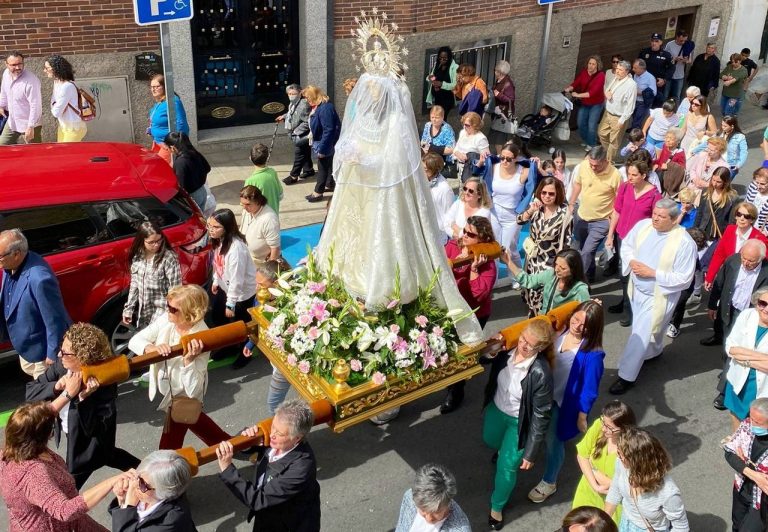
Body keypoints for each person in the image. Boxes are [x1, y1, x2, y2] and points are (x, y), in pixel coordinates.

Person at [315, 68, 484, 345]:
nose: (369, 93)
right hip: (361, 194)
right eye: (367, 87)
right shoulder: (365, 116)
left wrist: (366, 161)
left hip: (387, 196)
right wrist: (349, 154)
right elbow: (351, 143)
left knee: (383, 242)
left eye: (374, 87)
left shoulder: (395, 121)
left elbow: (398, 164)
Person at [26, 322, 141, 488]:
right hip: (72, 432)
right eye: (61, 348)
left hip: (89, 445)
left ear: (83, 357)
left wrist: (84, 399)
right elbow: (30, 391)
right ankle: (151, 475)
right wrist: (56, 386)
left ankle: (154, 478)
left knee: (69, 488)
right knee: (112, 456)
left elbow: (96, 429)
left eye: (65, 352)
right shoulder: (61, 367)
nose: (59, 354)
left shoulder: (105, 381)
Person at [609, 199, 697, 394]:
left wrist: (653, 273)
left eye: (661, 216)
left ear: (675, 220)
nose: (655, 219)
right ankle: (655, 350)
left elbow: (684, 278)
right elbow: (627, 246)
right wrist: (631, 261)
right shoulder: (643, 226)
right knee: (650, 329)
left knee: (640, 333)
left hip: (659, 296)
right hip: (637, 290)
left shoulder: (684, 243)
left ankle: (626, 376)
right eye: (654, 214)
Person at [129, 284, 231, 449]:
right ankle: (238, 446)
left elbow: (194, 389)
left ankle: (163, 470)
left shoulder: (202, 337)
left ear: (190, 314)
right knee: (196, 420)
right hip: (169, 391)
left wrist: (189, 360)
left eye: (173, 309)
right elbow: (135, 341)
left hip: (182, 395)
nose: (168, 310)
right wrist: (151, 348)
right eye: (167, 305)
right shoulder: (166, 318)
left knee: (169, 445)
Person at [0, 402, 123, 532]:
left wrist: (68, 394)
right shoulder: (33, 474)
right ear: (44, 435)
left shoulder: (12, 451)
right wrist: (111, 482)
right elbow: (64, 510)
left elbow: (42, 417)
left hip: (75, 523)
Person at [528, 301, 605, 504]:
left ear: (593, 329)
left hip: (561, 404)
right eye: (577, 318)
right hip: (541, 395)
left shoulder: (594, 355)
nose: (578, 326)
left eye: (585, 324)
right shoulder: (560, 330)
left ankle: (549, 481)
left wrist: (582, 415)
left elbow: (589, 389)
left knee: (554, 441)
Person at [483, 320, 556, 530]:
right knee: (489, 439)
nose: (523, 346)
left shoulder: (541, 373)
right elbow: (481, 359)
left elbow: (542, 414)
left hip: (518, 423)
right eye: (523, 339)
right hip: (497, 410)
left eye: (529, 345)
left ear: (540, 348)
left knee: (506, 467)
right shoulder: (506, 351)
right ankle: (502, 447)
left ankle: (496, 507)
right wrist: (490, 352)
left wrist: (531, 452)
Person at [216, 399, 321, 532]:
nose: (272, 435)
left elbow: (259, 500)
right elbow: (243, 450)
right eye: (273, 427)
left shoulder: (301, 467)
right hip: (267, 515)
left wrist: (227, 470)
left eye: (279, 433)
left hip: (286, 524)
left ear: (297, 438)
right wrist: (245, 438)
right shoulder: (274, 438)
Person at [441, 216, 498, 415]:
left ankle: (456, 392)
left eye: (470, 234)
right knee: (449, 348)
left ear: (482, 239)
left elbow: (479, 296)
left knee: (462, 353)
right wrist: (454, 263)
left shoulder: (487, 263)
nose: (464, 235)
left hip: (474, 314)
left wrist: (473, 270)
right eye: (464, 231)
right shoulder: (453, 247)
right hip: (451, 309)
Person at [0, 228, 72, 379]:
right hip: (26, 347)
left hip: (42, 352)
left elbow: (55, 319)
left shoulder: (39, 279)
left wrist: (52, 354)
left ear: (16, 254)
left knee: (45, 396)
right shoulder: (11, 265)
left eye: (0, 257)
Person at [708, 240, 768, 412]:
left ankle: (723, 391)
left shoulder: (766, 271)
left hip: (752, 315)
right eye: (744, 258)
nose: (746, 263)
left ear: (760, 259)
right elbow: (720, 282)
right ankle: (729, 372)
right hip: (730, 311)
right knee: (728, 348)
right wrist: (712, 305)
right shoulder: (733, 260)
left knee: (738, 352)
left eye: (751, 261)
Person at [606, 158, 663, 321]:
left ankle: (630, 309)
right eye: (629, 174)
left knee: (633, 275)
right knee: (623, 273)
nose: (629, 177)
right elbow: (617, 211)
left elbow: (656, 220)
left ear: (643, 175)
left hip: (640, 242)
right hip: (622, 236)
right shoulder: (625, 187)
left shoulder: (654, 195)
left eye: (633, 175)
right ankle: (625, 301)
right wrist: (610, 235)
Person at [604, 427, 689, 531]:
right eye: (618, 452)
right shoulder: (622, 464)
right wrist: (604, 522)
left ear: (637, 462)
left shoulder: (668, 493)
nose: (618, 456)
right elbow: (615, 488)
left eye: (621, 455)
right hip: (626, 522)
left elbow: (681, 528)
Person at [573, 401, 637, 524]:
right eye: (604, 423)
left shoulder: (631, 449)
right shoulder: (600, 424)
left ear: (624, 428)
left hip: (613, 505)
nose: (603, 429)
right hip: (587, 492)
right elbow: (582, 455)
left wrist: (593, 470)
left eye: (610, 428)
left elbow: (627, 488)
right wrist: (595, 485)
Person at [516, 177, 573, 314]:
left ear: (558, 194)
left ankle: (540, 325)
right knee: (530, 296)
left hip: (549, 264)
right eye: (544, 192)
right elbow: (519, 220)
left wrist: (560, 268)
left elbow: (566, 244)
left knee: (542, 300)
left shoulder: (565, 215)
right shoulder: (536, 207)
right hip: (532, 261)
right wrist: (530, 211)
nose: (546, 196)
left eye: (551, 193)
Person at [569, 146, 622, 282]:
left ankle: (580, 283)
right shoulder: (583, 166)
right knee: (583, 249)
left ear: (605, 161)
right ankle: (590, 274)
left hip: (602, 220)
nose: (592, 168)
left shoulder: (615, 175)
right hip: (581, 216)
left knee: (587, 251)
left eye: (596, 165)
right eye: (591, 164)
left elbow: (618, 200)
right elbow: (577, 185)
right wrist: (571, 203)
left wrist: (612, 225)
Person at [109, 450, 197, 531]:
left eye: (143, 484)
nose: (134, 485)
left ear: (165, 492)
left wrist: (128, 506)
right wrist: (122, 500)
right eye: (137, 477)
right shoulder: (146, 491)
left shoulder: (170, 521)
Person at [122, 221, 182, 331]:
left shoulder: (169, 258)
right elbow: (134, 285)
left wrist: (172, 312)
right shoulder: (137, 256)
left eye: (159, 240)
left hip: (162, 312)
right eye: (151, 242)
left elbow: (176, 289)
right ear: (141, 241)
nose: (156, 245)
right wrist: (128, 309)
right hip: (144, 312)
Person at [723, 287, 768, 431]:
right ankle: (737, 442)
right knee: (735, 413)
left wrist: (745, 358)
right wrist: (762, 358)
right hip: (738, 378)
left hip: (762, 385)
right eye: (763, 303)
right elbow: (731, 347)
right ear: (756, 303)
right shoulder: (747, 315)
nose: (766, 309)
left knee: (760, 424)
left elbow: (738, 352)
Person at [478, 141, 529, 268]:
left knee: (509, 249)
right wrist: (481, 160)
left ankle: (516, 276)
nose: (504, 161)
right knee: (494, 246)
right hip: (494, 211)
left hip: (512, 216)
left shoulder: (523, 172)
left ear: (516, 159)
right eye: (502, 158)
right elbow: (477, 170)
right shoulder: (494, 167)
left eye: (508, 159)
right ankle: (493, 278)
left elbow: (542, 174)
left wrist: (534, 163)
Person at [723, 397, 768, 532]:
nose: (751, 424)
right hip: (741, 488)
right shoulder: (747, 426)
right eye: (751, 418)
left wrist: (742, 462)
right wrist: (756, 476)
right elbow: (729, 452)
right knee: (736, 524)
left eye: (757, 422)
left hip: (762, 502)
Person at [505, 249, 590, 318]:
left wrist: (592, 307)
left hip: (562, 328)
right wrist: (508, 262)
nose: (557, 269)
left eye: (562, 268)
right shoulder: (551, 274)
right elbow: (528, 281)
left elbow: (585, 315)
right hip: (544, 320)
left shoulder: (581, 289)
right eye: (556, 264)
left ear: (573, 270)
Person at [704, 202, 768, 294]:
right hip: (728, 276)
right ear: (735, 216)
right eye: (739, 214)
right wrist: (710, 276)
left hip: (746, 281)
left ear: (752, 220)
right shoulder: (730, 229)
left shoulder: (760, 238)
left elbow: (764, 265)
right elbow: (719, 254)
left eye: (746, 216)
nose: (742, 218)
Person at [395, 463, 471, 532]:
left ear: (448, 503)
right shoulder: (409, 498)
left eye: (436, 512)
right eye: (423, 510)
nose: (429, 519)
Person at [304, 84, 341, 203]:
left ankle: (318, 192)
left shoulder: (325, 108)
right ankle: (330, 184)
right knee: (328, 165)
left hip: (325, 142)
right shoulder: (319, 106)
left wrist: (322, 148)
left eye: (308, 97)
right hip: (322, 141)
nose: (307, 100)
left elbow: (329, 129)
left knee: (322, 167)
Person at [597, 60, 637, 162]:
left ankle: (609, 162)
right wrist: (607, 94)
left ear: (627, 71)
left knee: (614, 141)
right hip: (608, 113)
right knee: (601, 133)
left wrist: (622, 120)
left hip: (618, 116)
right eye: (617, 69)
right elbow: (608, 90)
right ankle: (608, 154)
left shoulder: (631, 85)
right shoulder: (616, 78)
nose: (617, 71)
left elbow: (630, 105)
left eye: (620, 70)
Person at [0, 51, 42, 145]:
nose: (18, 67)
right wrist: (1, 105)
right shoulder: (6, 73)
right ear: (6, 64)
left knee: (35, 152)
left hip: (29, 124)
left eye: (20, 64)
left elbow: (35, 106)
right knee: (2, 147)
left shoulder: (31, 81)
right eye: (14, 65)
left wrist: (31, 126)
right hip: (12, 121)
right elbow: (3, 90)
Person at [565, 55, 606, 151]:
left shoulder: (601, 76)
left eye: (593, 64)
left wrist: (577, 95)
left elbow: (592, 93)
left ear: (597, 66)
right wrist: (569, 88)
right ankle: (586, 139)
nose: (591, 66)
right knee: (580, 123)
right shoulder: (584, 72)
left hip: (596, 104)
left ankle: (592, 144)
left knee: (591, 125)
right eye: (589, 63)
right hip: (585, 103)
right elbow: (576, 83)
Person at [147, 74, 189, 165]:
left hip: (168, 145)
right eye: (151, 87)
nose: (153, 89)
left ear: (165, 86)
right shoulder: (161, 101)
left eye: (157, 86)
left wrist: (176, 144)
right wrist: (151, 129)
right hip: (158, 142)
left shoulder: (173, 101)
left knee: (161, 170)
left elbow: (181, 123)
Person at [164, 132, 211, 212]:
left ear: (173, 148)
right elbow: (207, 168)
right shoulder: (194, 153)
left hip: (193, 198)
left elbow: (181, 186)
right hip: (202, 192)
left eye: (167, 148)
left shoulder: (180, 162)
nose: (167, 150)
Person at [44, 54, 87, 142]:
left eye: (47, 68)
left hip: (74, 128)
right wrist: (55, 105)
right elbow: (55, 106)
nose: (44, 70)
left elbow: (56, 112)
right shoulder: (57, 83)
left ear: (56, 68)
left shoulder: (66, 86)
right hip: (64, 126)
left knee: (69, 154)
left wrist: (55, 106)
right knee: (62, 153)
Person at [444, 176, 500, 241]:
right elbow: (446, 222)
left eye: (471, 191)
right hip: (454, 243)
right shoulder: (459, 203)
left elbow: (470, 235)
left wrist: (453, 225)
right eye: (465, 188)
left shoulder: (484, 213)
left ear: (479, 195)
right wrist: (453, 234)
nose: (466, 192)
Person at [279, 83, 315, 185]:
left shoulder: (304, 104)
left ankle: (293, 175)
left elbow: (307, 122)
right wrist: (284, 116)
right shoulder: (294, 103)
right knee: (305, 151)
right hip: (295, 133)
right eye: (289, 93)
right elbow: (292, 113)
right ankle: (309, 170)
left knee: (299, 154)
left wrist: (296, 131)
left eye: (293, 93)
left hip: (302, 134)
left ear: (300, 93)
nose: (291, 95)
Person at [239, 185, 281, 268]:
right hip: (246, 257)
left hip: (261, 264)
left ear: (258, 202)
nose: (244, 208)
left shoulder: (269, 219)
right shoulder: (247, 210)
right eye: (242, 204)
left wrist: (267, 271)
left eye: (248, 204)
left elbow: (275, 249)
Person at [423, 152, 455, 244]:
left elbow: (449, 216)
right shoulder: (423, 182)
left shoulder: (445, 189)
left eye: (425, 169)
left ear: (434, 170)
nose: (421, 171)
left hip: (438, 236)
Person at [451, 111, 490, 181]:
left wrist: (469, 158)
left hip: (472, 172)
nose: (464, 127)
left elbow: (486, 160)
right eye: (464, 124)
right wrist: (458, 154)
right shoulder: (463, 132)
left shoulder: (481, 138)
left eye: (467, 125)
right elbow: (456, 148)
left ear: (475, 126)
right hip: (460, 169)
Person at [245, 143, 283, 213]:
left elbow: (246, 203)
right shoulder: (272, 172)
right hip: (274, 215)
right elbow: (280, 195)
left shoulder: (250, 181)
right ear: (267, 158)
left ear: (250, 158)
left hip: (258, 219)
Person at [638, 33, 674, 108]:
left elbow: (671, 68)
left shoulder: (666, 55)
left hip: (658, 84)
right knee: (643, 104)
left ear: (661, 42)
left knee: (656, 105)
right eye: (652, 41)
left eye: (656, 41)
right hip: (645, 84)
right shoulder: (644, 52)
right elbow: (637, 65)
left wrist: (664, 80)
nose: (654, 43)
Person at [488, 60, 517, 153]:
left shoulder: (507, 84)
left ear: (500, 72)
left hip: (503, 115)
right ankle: (502, 156)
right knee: (499, 140)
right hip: (498, 113)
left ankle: (501, 157)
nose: (494, 72)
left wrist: (498, 94)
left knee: (499, 140)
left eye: (496, 70)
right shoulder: (501, 80)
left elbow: (510, 99)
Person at [426, 46, 459, 118]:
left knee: (441, 118)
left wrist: (441, 84)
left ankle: (443, 129)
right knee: (438, 117)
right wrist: (430, 77)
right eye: (440, 58)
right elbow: (433, 76)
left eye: (445, 58)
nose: (442, 60)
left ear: (449, 57)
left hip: (447, 98)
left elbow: (454, 85)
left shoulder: (455, 67)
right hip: (437, 97)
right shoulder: (437, 64)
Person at [663, 30, 693, 102]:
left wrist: (684, 60)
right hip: (669, 75)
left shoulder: (687, 45)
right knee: (665, 95)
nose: (683, 42)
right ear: (677, 37)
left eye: (685, 41)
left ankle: (676, 111)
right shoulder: (670, 44)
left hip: (679, 76)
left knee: (677, 96)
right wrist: (675, 58)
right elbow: (664, 58)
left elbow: (690, 61)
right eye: (681, 40)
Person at [630, 59, 657, 130]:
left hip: (643, 103)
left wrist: (641, 93)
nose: (633, 70)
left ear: (642, 68)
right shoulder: (635, 75)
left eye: (635, 68)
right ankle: (633, 128)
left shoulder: (650, 78)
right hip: (634, 100)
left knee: (638, 118)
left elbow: (654, 93)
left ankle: (635, 135)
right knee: (634, 116)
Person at [745, 168, 768, 233]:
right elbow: (746, 202)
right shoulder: (752, 186)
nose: (758, 186)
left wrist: (766, 231)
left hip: (761, 230)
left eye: (762, 184)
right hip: (747, 224)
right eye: (757, 182)